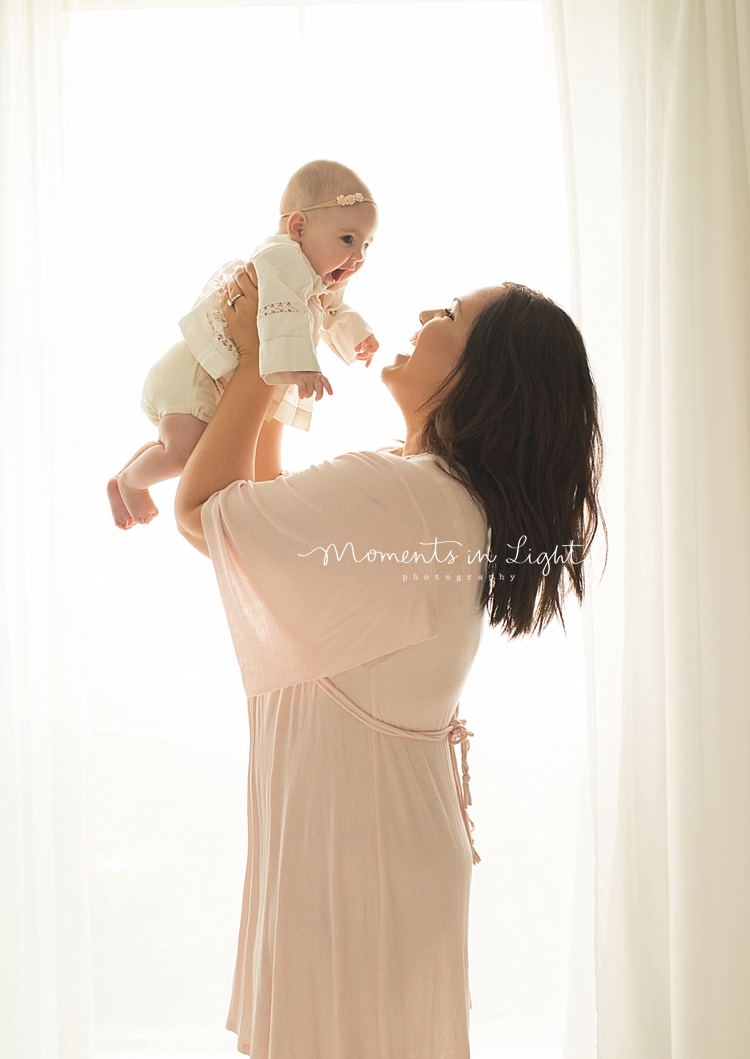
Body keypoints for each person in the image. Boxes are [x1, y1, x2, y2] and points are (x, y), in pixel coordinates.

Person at [174, 264, 604, 1059]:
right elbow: (268, 529)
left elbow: (206, 513)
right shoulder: (429, 492)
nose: (421, 313)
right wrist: (275, 356)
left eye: (449, 313)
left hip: (357, 862)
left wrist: (255, 354)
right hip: (363, 850)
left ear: (484, 377)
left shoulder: (409, 497)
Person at [107, 160, 379, 530]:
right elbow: (280, 316)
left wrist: (357, 336)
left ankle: (123, 479)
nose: (358, 256)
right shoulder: (281, 257)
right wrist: (301, 368)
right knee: (188, 455)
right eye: (348, 239)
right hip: (191, 374)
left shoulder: (315, 280)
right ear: (298, 227)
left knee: (185, 446)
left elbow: (330, 310)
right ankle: (131, 482)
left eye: (366, 244)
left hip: (201, 377)